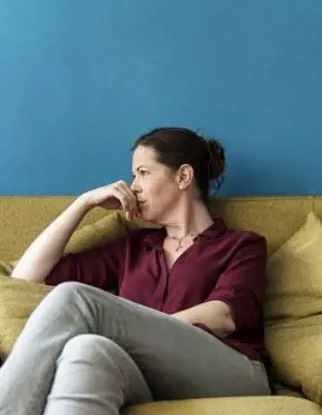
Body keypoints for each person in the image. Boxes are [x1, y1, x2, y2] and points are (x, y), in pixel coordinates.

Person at [0, 127, 271, 414]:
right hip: (150, 376)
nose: (133, 187)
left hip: (231, 371)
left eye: (143, 173)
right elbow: (27, 278)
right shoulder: (134, 248)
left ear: (183, 177)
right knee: (87, 350)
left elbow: (223, 316)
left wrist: (134, 330)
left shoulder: (242, 245)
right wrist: (84, 203)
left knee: (77, 299)